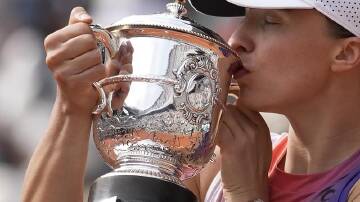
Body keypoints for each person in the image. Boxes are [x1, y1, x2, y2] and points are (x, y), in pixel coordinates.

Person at [21, 0, 360, 201]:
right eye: (246, 19)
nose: (237, 40)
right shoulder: (210, 164)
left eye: (270, 22)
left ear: (347, 52)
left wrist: (245, 194)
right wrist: (72, 106)